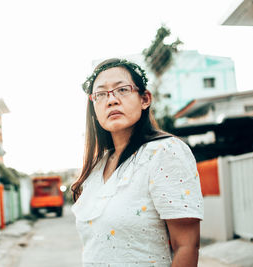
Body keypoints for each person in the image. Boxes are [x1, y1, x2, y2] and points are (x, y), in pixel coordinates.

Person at [71, 58, 204, 267]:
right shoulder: (96, 169)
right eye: (101, 94)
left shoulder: (164, 152)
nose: (111, 100)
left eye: (122, 90)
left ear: (145, 99)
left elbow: (186, 245)